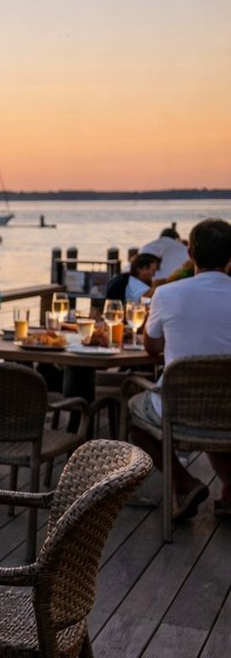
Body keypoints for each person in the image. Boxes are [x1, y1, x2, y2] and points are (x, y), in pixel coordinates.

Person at [128, 217, 231, 520]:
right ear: (230, 258)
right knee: (219, 408)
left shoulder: (167, 294)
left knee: (134, 411)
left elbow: (152, 349)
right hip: (227, 407)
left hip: (180, 409)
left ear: (190, 254)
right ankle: (229, 492)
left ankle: (184, 483)